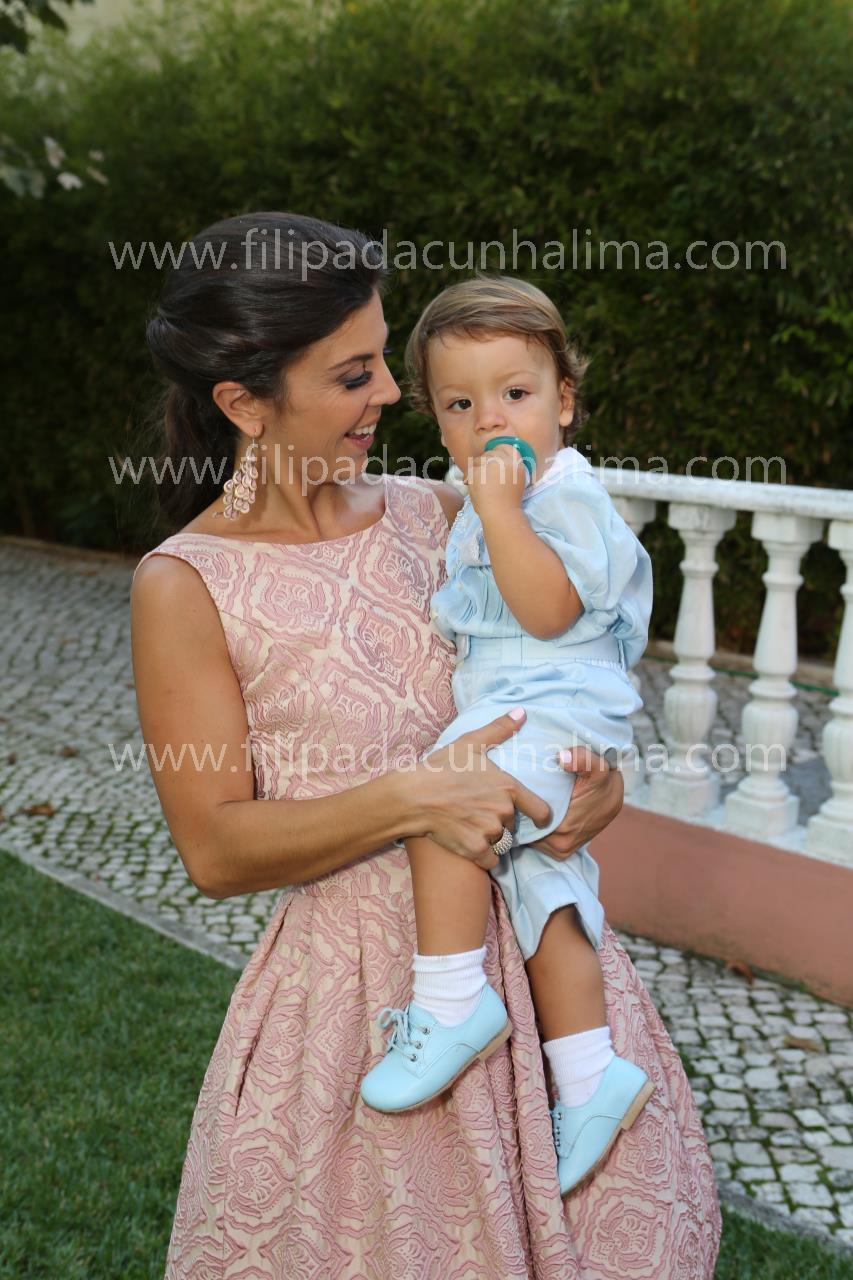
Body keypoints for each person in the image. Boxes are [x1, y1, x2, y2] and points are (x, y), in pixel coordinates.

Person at [131, 211, 720, 1279]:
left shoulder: (444, 513)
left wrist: (600, 783)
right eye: (354, 374)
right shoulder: (186, 585)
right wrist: (417, 796)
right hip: (359, 1004)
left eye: (383, 362)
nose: (391, 396)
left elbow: (558, 673)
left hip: (543, 964)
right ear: (243, 402)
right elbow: (215, 849)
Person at [359, 276, 655, 1198]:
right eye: (461, 405)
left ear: (563, 401)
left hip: (552, 702)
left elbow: (549, 607)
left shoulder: (559, 496)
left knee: (441, 804)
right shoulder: (493, 497)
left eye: (515, 393)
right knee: (543, 889)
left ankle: (451, 1003)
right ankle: (590, 1074)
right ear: (438, 424)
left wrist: (496, 509)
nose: (490, 420)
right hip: (533, 713)